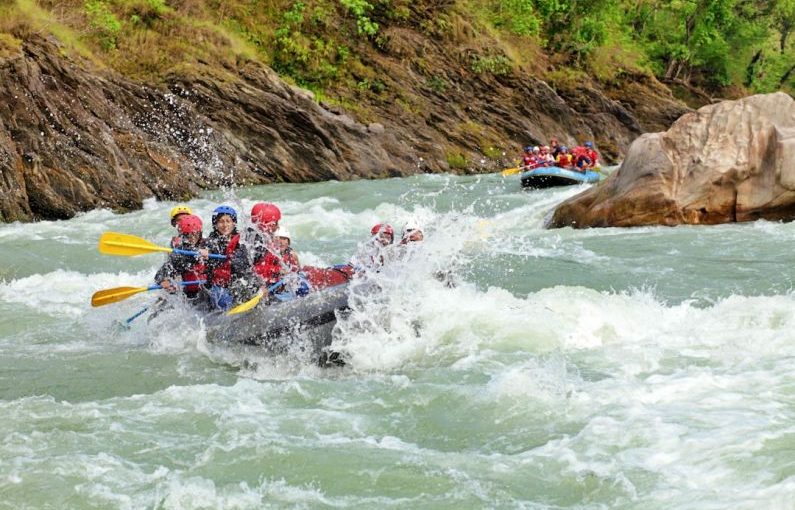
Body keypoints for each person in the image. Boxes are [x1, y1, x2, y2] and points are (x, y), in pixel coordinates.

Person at [202, 205, 251, 311]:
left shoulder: (242, 240)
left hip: (236, 282)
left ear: (234, 223)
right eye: (221, 221)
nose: (225, 225)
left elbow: (246, 260)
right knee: (223, 299)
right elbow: (206, 248)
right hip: (218, 286)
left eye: (228, 221)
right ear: (215, 224)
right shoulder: (210, 241)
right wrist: (205, 252)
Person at [154, 214, 206, 302]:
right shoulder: (180, 254)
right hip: (190, 295)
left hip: (207, 290)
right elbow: (160, 274)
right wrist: (163, 281)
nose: (192, 238)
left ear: (200, 233)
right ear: (183, 235)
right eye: (188, 235)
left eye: (195, 234)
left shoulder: (209, 245)